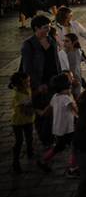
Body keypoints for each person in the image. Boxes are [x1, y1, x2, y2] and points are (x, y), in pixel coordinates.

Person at [21, 15, 60, 146]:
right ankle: (45, 138)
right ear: (36, 28)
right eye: (45, 28)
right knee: (41, 111)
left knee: (53, 108)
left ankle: (52, 134)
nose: (48, 30)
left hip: (53, 80)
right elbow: (27, 68)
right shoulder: (29, 44)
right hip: (40, 83)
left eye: (49, 27)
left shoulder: (51, 39)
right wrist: (37, 85)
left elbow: (56, 60)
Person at [37, 72, 78, 175]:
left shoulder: (55, 96)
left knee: (59, 147)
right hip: (67, 129)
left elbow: (48, 110)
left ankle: (43, 160)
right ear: (67, 85)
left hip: (58, 129)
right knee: (75, 146)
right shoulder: (66, 99)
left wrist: (40, 112)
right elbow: (75, 111)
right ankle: (72, 168)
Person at [9, 71, 34, 174]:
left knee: (29, 138)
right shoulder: (17, 95)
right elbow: (23, 109)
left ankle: (30, 152)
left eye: (29, 81)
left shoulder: (27, 89)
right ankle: (16, 161)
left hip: (28, 120)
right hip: (18, 122)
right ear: (19, 84)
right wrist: (35, 110)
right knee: (19, 141)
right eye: (26, 82)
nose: (28, 83)